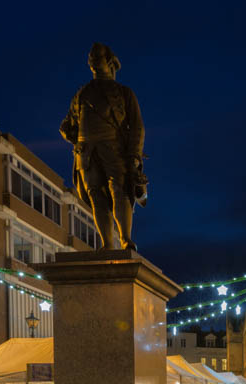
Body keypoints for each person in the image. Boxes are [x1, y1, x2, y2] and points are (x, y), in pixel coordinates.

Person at [60, 43, 146, 250]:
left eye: (97, 58)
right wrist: (73, 136)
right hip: (87, 152)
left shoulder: (124, 93)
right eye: (91, 59)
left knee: (120, 191)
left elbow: (137, 127)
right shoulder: (82, 94)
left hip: (114, 149)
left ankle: (125, 239)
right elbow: (67, 125)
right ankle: (107, 244)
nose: (93, 62)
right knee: (95, 194)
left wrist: (134, 156)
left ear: (110, 62)